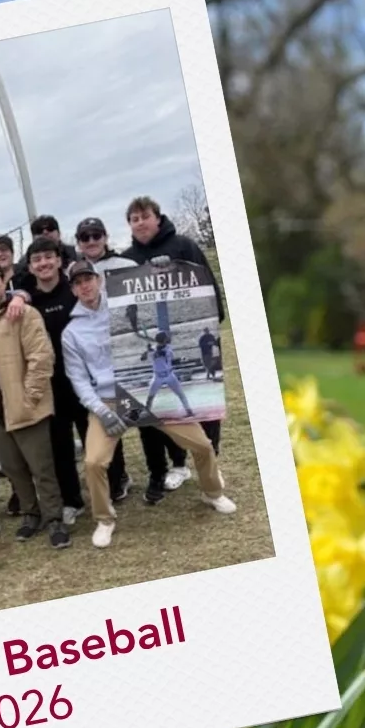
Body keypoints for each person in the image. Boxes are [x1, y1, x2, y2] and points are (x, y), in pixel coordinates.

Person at [62, 260, 235, 548]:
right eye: (78, 282)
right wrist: (103, 411)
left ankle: (212, 492)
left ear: (99, 280)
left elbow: (158, 306)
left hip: (144, 389)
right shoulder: (71, 333)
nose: (85, 286)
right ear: (73, 289)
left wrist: (162, 271)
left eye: (88, 279)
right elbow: (78, 380)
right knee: (93, 462)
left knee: (202, 444)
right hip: (111, 400)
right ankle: (105, 519)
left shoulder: (123, 307)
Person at [122, 195, 225, 503]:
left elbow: (206, 282)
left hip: (185, 335)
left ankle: (210, 463)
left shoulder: (184, 246)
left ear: (158, 217)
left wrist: (214, 316)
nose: (140, 223)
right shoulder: (127, 259)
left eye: (145, 216)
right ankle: (177, 464)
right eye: (134, 219)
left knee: (202, 401)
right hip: (154, 336)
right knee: (159, 408)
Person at [0, 260, 69, 548]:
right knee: (14, 468)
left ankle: (55, 519)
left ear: (4, 281)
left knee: (42, 468)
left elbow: (42, 358)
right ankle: (31, 513)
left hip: (25, 407)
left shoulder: (24, 313)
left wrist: (30, 398)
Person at [18, 237, 86, 522]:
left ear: (59, 260)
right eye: (37, 259)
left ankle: (114, 485)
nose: (43, 263)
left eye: (48, 257)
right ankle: (72, 500)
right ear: (31, 267)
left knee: (95, 437)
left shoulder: (75, 292)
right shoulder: (26, 302)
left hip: (82, 381)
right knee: (60, 447)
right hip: (50, 385)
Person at [72, 217, 136, 504]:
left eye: (96, 234)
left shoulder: (125, 265)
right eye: (85, 236)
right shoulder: (71, 273)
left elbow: (148, 285)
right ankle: (116, 479)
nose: (91, 240)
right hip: (101, 375)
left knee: (158, 426)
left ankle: (170, 470)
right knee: (106, 433)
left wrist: (163, 268)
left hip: (134, 363)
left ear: (106, 236)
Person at [11, 215, 77, 292]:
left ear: (59, 233)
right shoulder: (23, 264)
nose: (45, 232)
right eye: (39, 230)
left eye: (50, 228)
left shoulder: (76, 256)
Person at [142, 330, 195, 416]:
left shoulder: (167, 348)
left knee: (180, 393)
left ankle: (189, 411)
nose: (167, 339)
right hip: (157, 377)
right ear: (162, 339)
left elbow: (163, 354)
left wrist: (180, 360)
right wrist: (146, 351)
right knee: (150, 396)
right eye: (165, 338)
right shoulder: (152, 349)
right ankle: (147, 413)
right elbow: (142, 359)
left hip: (169, 375)